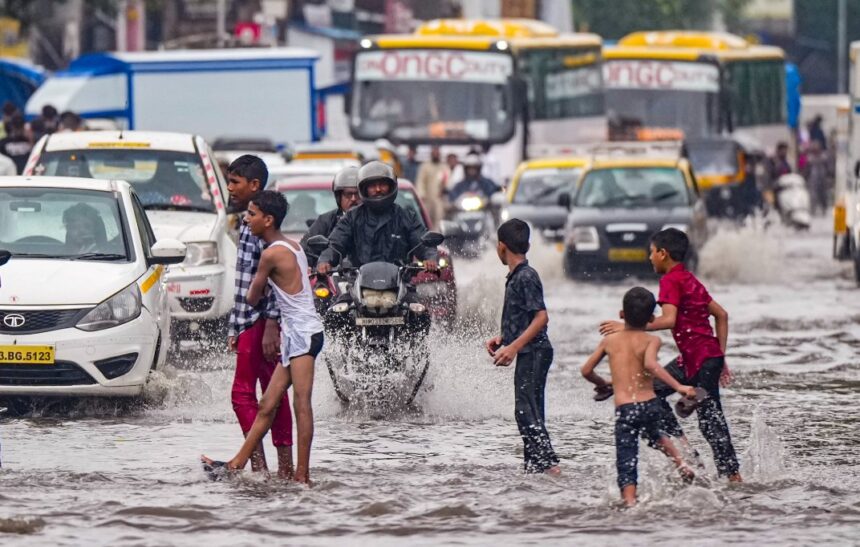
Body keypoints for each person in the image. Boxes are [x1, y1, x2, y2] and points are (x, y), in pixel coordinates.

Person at [600, 228, 742, 482]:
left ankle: (732, 476)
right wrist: (720, 358)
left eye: (651, 253)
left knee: (710, 421)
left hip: (699, 361)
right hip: (699, 359)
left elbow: (669, 319)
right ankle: (687, 449)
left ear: (663, 254)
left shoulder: (670, 281)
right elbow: (721, 315)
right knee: (653, 390)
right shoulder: (688, 279)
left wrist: (629, 326)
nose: (649, 258)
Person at [203, 191, 324, 484]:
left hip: (304, 335)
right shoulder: (293, 246)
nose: (247, 219)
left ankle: (302, 477)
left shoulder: (270, 254)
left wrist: (258, 275)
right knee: (268, 405)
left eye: (252, 214)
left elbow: (252, 296)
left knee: (301, 404)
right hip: (299, 335)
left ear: (268, 220)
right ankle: (235, 464)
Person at [582, 287, 697, 506]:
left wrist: (603, 383)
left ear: (621, 315)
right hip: (649, 403)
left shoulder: (610, 341)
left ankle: (630, 501)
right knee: (656, 434)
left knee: (627, 455)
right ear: (652, 318)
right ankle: (680, 463)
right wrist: (680, 387)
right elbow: (651, 366)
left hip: (626, 409)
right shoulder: (652, 341)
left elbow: (586, 370)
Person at [225, 155, 294, 478]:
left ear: (254, 186)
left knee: (246, 394)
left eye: (235, 182)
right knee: (270, 395)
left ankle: (262, 467)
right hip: (248, 321)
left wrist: (270, 324)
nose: (229, 189)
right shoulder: (247, 222)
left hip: (261, 322)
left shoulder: (260, 225)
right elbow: (243, 281)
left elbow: (275, 282)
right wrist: (234, 326)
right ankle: (279, 469)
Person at [484, 219, 559, 475]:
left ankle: (549, 467)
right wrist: (504, 339)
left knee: (525, 410)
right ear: (527, 244)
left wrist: (514, 347)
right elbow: (523, 318)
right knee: (531, 410)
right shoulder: (518, 276)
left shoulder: (526, 276)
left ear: (501, 247)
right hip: (530, 350)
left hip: (535, 352)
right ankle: (534, 469)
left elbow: (541, 317)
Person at [316, 161, 439, 274]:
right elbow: (336, 242)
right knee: (337, 298)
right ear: (364, 189)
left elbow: (422, 241)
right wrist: (325, 260)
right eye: (373, 186)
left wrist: (430, 258)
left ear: (391, 186)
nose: (378, 189)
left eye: (382, 184)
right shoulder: (351, 217)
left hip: (399, 284)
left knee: (418, 298)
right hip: (358, 284)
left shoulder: (406, 217)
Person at [300, 166, 361, 267]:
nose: (353, 199)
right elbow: (305, 253)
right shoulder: (325, 221)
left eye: (358, 194)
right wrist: (315, 265)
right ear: (339, 196)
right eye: (348, 194)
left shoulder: (376, 220)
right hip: (333, 279)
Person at [415, 145, 447, 228]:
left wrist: (444, 189)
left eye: (437, 153)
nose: (436, 155)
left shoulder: (444, 166)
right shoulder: (425, 166)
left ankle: (439, 237)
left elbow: (447, 179)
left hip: (439, 198)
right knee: (426, 219)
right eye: (434, 153)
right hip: (427, 198)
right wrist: (421, 194)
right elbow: (420, 181)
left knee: (439, 219)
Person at [801, 139, 833, 216]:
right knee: (813, 195)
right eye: (814, 148)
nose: (816, 149)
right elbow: (806, 169)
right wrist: (805, 177)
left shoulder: (824, 156)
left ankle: (824, 209)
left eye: (817, 147)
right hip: (813, 178)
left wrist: (830, 176)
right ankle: (813, 209)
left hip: (823, 178)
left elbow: (829, 168)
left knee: (823, 195)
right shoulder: (809, 158)